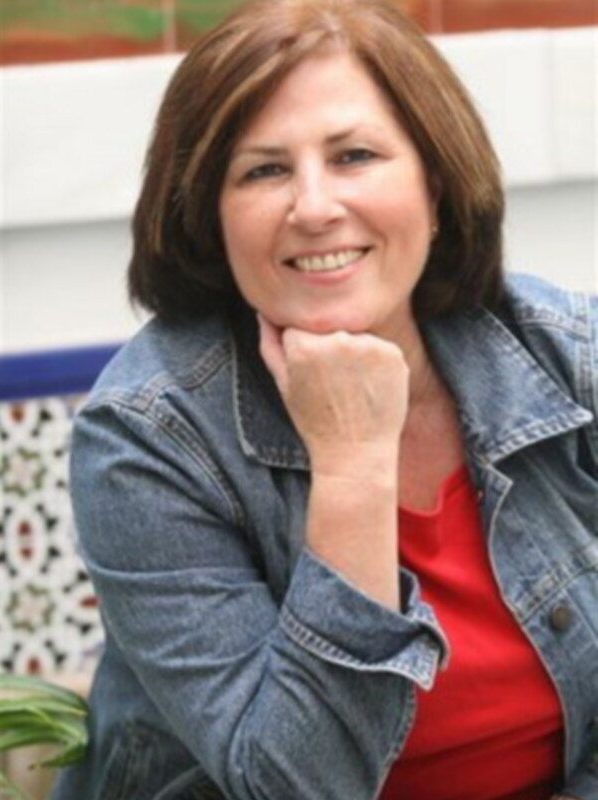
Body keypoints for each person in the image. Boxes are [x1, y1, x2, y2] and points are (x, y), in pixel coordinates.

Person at [51, 0, 597, 798]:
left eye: (354, 156)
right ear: (209, 215)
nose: (313, 208)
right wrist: (351, 465)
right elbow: (295, 786)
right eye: (264, 170)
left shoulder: (566, 350)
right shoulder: (146, 436)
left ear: (435, 181)